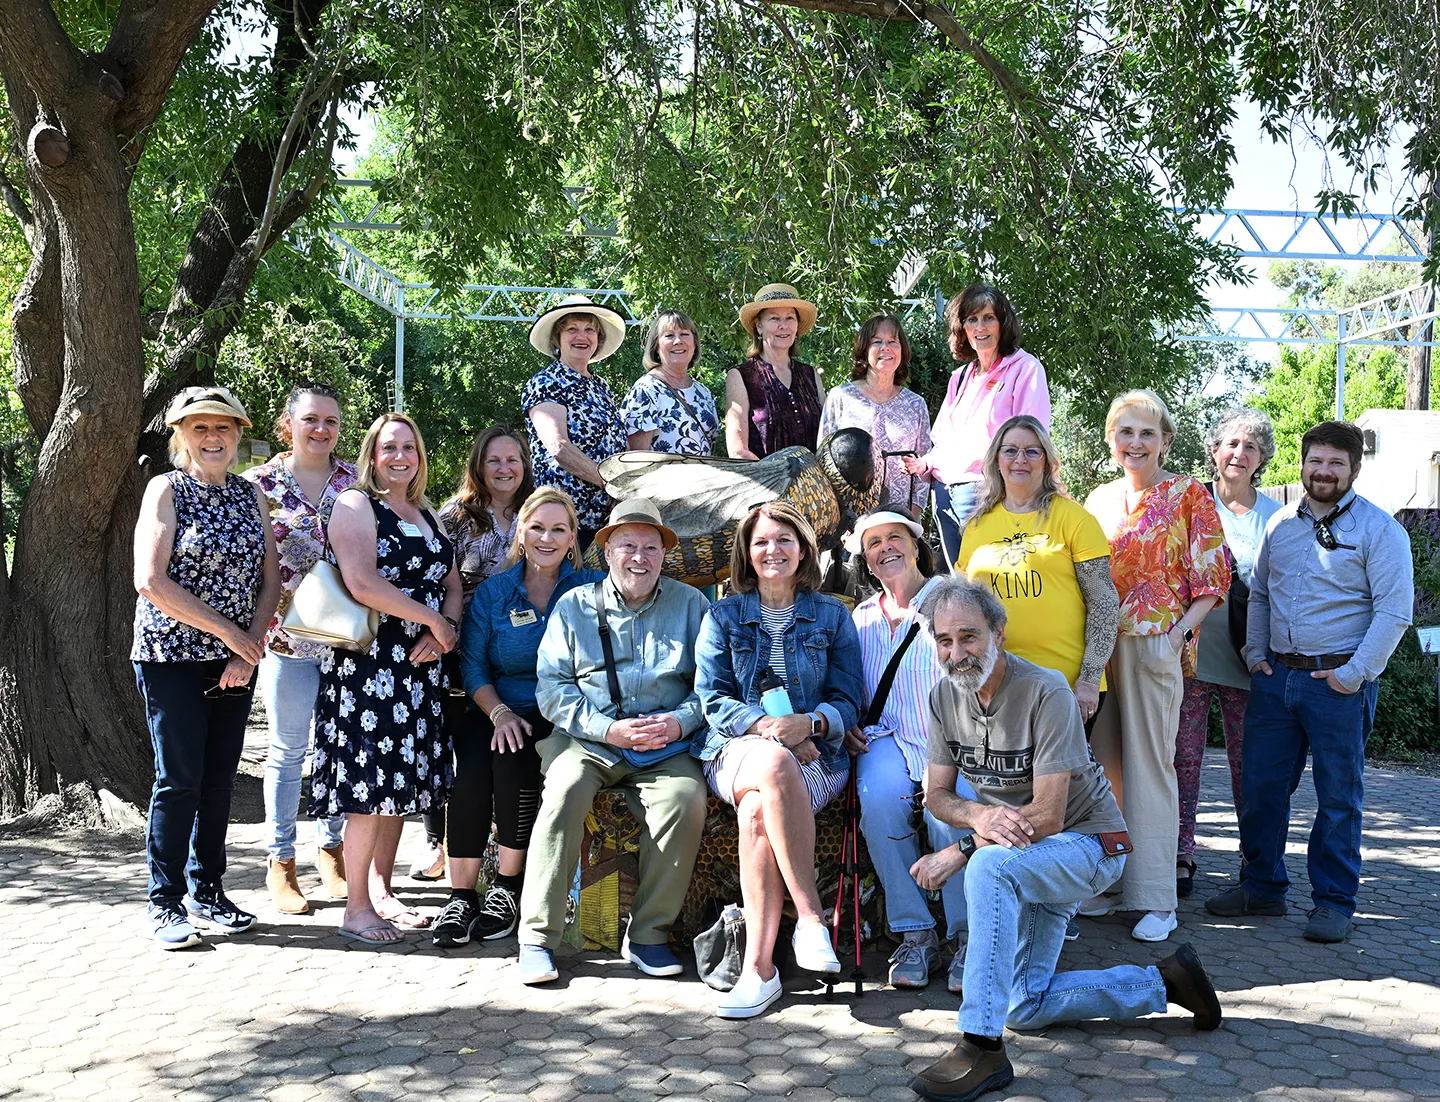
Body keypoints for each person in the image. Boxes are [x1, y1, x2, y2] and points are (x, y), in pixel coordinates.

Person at [906, 578, 1223, 1102]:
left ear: (998, 633)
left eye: (969, 637)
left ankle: (980, 1046)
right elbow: (936, 795)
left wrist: (962, 848)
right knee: (1023, 1006)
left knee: (986, 868)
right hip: (1026, 857)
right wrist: (978, 816)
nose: (957, 653)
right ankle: (1165, 984)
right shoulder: (943, 697)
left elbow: (1049, 817)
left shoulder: (1045, 690)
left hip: (1090, 847)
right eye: (945, 641)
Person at [1206, 421, 1413, 944]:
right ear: (1301, 465)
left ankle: (1334, 902)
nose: (1324, 472)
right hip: (1278, 679)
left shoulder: (1380, 530)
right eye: (1316, 461)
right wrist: (1254, 653)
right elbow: (1262, 597)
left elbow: (1395, 612)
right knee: (1260, 789)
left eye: (1336, 463)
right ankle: (1263, 887)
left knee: (1338, 797)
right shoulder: (1281, 526)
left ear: (1353, 469)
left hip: (1338, 683)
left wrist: (1353, 674)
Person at [518, 498, 711, 984]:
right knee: (563, 791)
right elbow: (552, 688)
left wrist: (679, 723)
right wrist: (607, 729)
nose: (639, 557)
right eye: (628, 545)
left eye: (651, 547)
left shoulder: (692, 604)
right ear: (607, 551)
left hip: (666, 745)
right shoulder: (574, 607)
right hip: (590, 738)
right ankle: (538, 937)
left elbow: (712, 686)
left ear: (664, 555)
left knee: (686, 799)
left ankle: (648, 933)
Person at [694, 501, 863, 1018]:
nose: (773, 550)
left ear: (804, 548)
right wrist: (772, 729)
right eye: (762, 541)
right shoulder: (722, 616)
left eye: (784, 539)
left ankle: (758, 972)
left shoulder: (833, 615)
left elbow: (848, 697)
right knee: (771, 763)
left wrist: (811, 724)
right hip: (735, 748)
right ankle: (811, 921)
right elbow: (712, 698)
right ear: (746, 551)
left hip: (817, 757)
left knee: (755, 813)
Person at [132, 386, 281, 948]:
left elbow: (271, 579)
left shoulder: (250, 495)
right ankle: (163, 902)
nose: (212, 437)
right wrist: (231, 637)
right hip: (171, 656)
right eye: (200, 428)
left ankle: (209, 891)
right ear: (181, 435)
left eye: (223, 428)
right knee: (180, 779)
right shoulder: (164, 489)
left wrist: (247, 649)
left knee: (219, 780)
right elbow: (150, 579)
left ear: (239, 435)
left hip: (234, 662)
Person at [309, 413, 462, 945]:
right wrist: (433, 621)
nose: (401, 457)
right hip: (369, 667)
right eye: (389, 448)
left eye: (410, 448)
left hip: (420, 667)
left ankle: (382, 890)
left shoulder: (426, 513)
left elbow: (451, 580)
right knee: (367, 789)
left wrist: (448, 629)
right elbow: (361, 581)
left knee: (399, 786)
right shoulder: (355, 505)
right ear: (371, 455)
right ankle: (355, 909)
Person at [1083, 390, 1230, 943]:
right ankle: (1109, 881)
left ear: (1165, 439)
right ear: (1111, 440)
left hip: (1153, 641)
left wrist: (1177, 633)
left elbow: (1215, 577)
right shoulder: (1098, 499)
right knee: (1104, 769)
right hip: (1099, 648)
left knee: (1149, 768)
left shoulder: (1188, 493)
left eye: (1147, 433)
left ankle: (1156, 897)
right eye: (1126, 432)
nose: (1136, 442)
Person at [434, 488, 603, 947]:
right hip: (498, 705)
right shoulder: (494, 591)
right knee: (469, 767)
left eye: (559, 529)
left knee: (513, 763)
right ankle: (461, 895)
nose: (547, 538)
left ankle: (507, 888)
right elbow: (472, 664)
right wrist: (501, 712)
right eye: (537, 527)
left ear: (573, 539)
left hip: (563, 713)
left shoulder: (589, 592)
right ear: (521, 533)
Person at [845, 509, 973, 991]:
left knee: (949, 815)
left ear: (916, 545)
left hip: (953, 738)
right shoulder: (859, 619)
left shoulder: (953, 601)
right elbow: (850, 689)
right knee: (877, 799)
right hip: (889, 739)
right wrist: (848, 723)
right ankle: (914, 932)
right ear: (865, 557)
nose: (885, 548)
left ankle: (965, 937)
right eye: (873, 542)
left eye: (894, 537)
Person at [245, 382, 357, 915]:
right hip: (287, 641)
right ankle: (280, 861)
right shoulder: (257, 485)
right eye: (311, 419)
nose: (322, 429)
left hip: (349, 643)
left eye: (331, 421)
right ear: (288, 424)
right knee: (289, 752)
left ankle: (331, 850)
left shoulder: (356, 482)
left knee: (336, 751)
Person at [411, 425, 537, 882]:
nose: (504, 469)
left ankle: (498, 857)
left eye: (513, 460)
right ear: (478, 466)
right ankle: (438, 841)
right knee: (456, 750)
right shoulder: (455, 517)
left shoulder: (534, 514)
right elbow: (431, 581)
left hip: (519, 654)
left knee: (500, 755)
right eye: (494, 460)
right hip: (459, 647)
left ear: (524, 465)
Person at [1174, 408, 1280, 897]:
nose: (1239, 453)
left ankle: (1255, 861)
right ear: (1214, 450)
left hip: (1249, 657)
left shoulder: (1275, 516)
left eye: (1250, 447)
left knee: (1249, 764)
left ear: (1262, 459)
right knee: (1183, 759)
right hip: (1190, 654)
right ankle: (1181, 854)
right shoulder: (1191, 501)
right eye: (1231, 444)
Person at [956, 415, 1119, 731]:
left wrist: (1089, 678)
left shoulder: (1074, 519)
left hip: (1063, 687)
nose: (1020, 459)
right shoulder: (976, 527)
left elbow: (1104, 603)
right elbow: (963, 613)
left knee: (1056, 780)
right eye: (1010, 450)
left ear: (1046, 461)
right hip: (995, 685)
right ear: (996, 460)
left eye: (1032, 451)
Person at [902, 284, 1051, 568]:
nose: (980, 327)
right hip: (944, 494)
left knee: (995, 584)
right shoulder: (959, 377)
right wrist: (924, 464)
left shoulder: (1026, 369)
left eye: (988, 318)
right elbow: (944, 440)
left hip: (989, 492)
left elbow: (1033, 440)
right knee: (961, 588)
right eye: (972, 319)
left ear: (1003, 323)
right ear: (963, 328)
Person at [522, 295, 630, 550]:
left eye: (589, 329)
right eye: (572, 329)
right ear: (557, 339)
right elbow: (558, 447)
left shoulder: (601, 386)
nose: (581, 336)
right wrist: (610, 484)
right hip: (562, 521)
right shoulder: (547, 382)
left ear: (598, 338)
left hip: (603, 522)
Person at [819, 314, 932, 516]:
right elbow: (823, 462)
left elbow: (924, 465)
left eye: (892, 341)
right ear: (864, 350)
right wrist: (838, 523)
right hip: (850, 520)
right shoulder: (841, 397)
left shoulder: (916, 404)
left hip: (900, 518)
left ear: (902, 350)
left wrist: (913, 518)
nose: (885, 348)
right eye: (877, 342)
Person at [725, 283, 826, 459]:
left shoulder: (811, 375)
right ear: (758, 326)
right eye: (774, 318)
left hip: (815, 485)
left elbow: (828, 438)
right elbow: (738, 451)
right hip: (765, 483)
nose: (783, 326)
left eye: (789, 318)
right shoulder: (741, 376)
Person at [622, 310, 720, 455]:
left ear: (694, 344)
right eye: (669, 335)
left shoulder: (703, 392)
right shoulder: (646, 390)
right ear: (656, 347)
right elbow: (636, 460)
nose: (678, 341)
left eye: (684, 334)